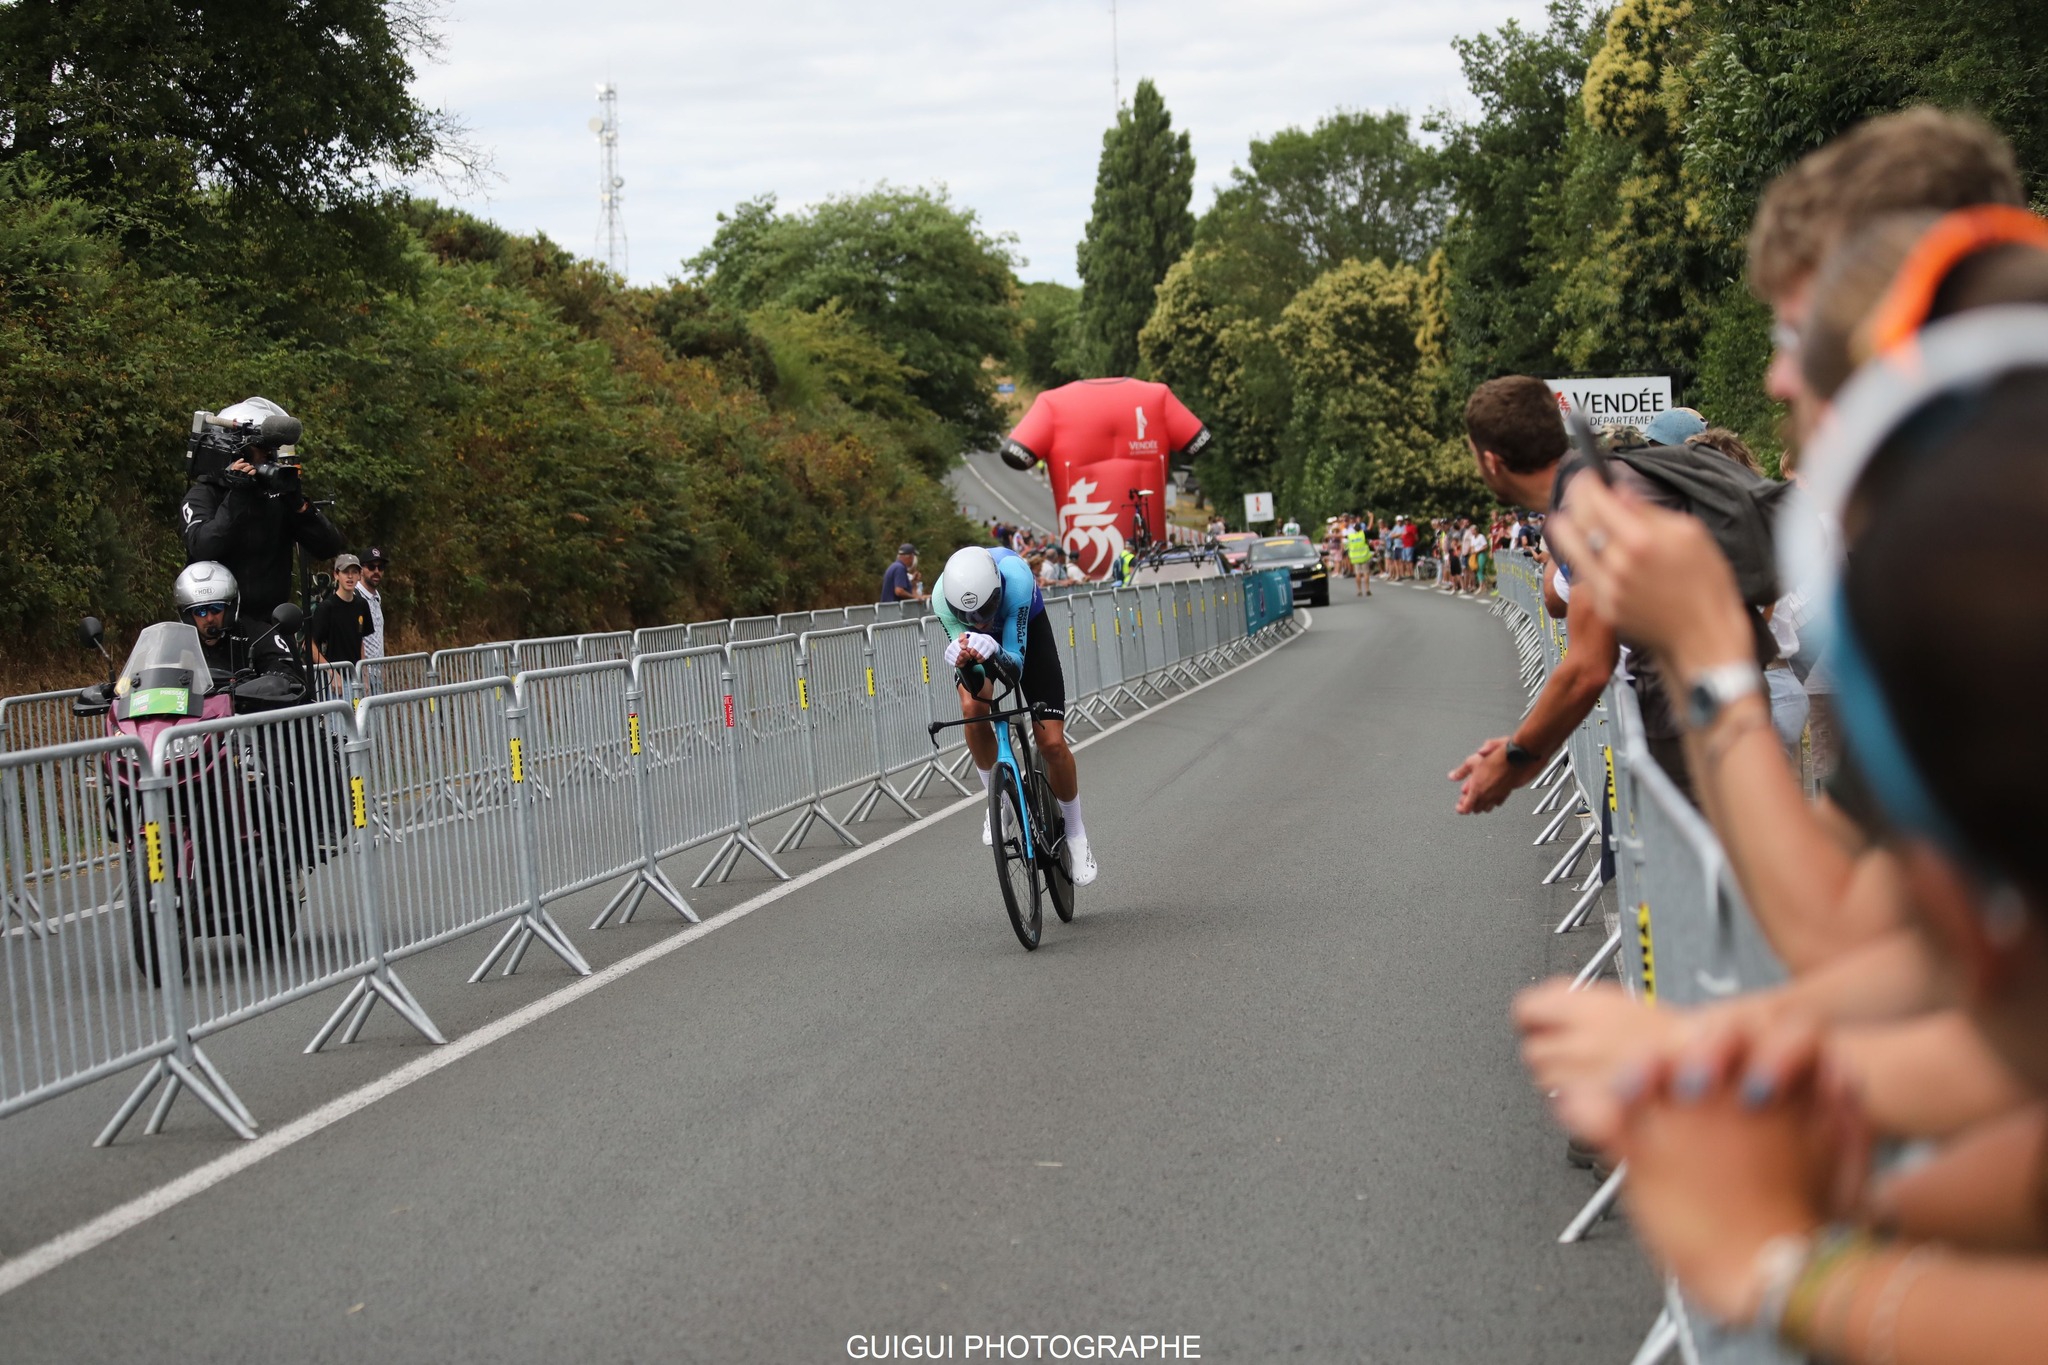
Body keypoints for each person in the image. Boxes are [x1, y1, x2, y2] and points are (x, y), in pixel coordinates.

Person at [932, 545, 1096, 886]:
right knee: (972, 708)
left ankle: (1077, 833)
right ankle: (1000, 800)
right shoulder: (940, 598)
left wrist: (994, 648)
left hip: (1025, 636)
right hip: (981, 646)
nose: (981, 621)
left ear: (997, 590)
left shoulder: (1017, 578)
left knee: (1051, 742)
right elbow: (977, 683)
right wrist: (965, 665)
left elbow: (1016, 668)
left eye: (987, 609)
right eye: (970, 617)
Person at [1000, 377, 1210, 581]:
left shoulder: (1051, 404)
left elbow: (1015, 453)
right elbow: (1199, 440)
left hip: (1088, 570)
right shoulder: (1158, 397)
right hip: (1152, 572)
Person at [180, 396, 344, 624]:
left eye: (272, 450)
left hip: (271, 626)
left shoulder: (276, 498)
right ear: (235, 450)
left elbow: (329, 546)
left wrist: (299, 506)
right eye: (263, 449)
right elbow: (203, 547)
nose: (269, 456)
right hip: (218, 628)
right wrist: (237, 495)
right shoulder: (203, 495)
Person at [307, 554, 373, 674]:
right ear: (336, 575)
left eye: (354, 572)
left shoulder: (362, 604)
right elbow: (309, 646)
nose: (350, 576)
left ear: (359, 575)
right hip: (335, 681)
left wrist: (364, 674)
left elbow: (360, 641)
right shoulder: (326, 607)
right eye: (345, 571)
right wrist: (331, 672)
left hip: (356, 676)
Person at [358, 547, 389, 661]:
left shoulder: (377, 597)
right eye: (371, 567)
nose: (376, 571)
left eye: (380, 567)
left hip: (377, 671)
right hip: (361, 671)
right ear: (361, 569)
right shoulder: (355, 596)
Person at [1344, 519, 1372, 597]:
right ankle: (1367, 589)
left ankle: (1359, 590)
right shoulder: (1363, 534)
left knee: (1358, 574)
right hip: (1364, 557)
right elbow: (1369, 527)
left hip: (1355, 558)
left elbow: (1341, 536)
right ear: (1360, 528)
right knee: (1366, 573)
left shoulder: (1351, 536)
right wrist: (1371, 517)